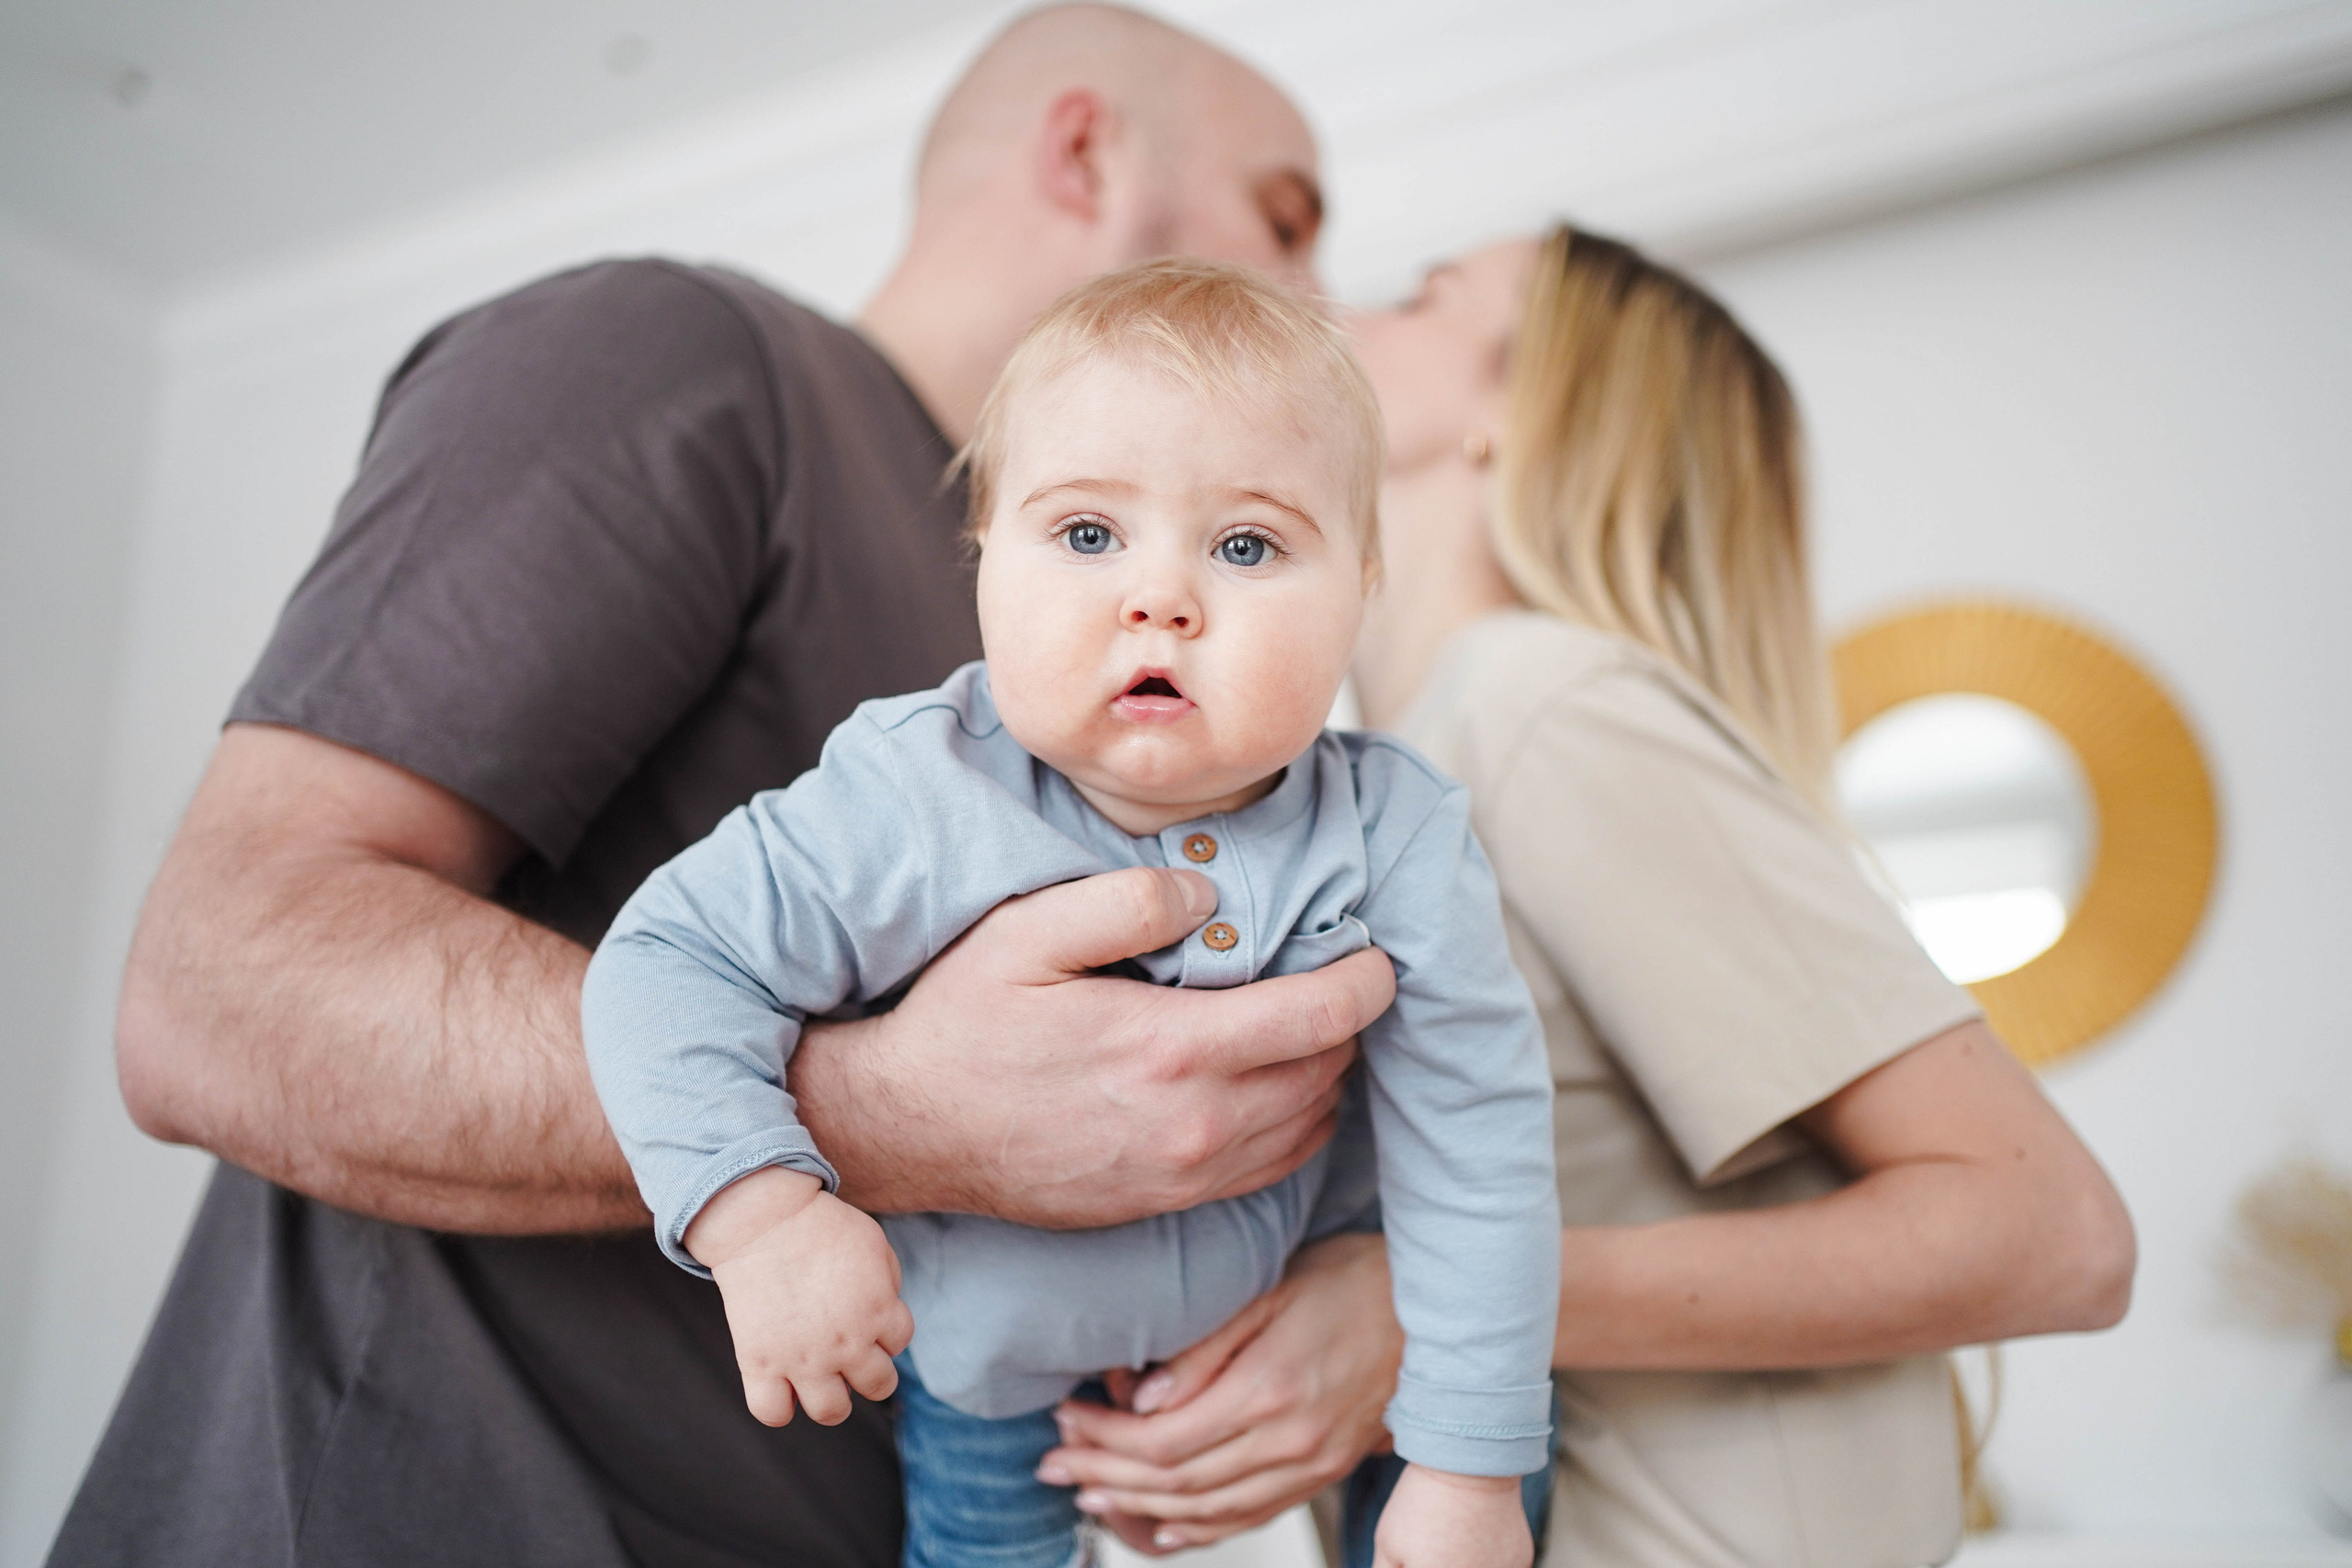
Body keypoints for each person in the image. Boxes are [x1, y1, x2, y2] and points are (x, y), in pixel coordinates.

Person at [57, 10, 1401, 1567]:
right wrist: (890, 1120)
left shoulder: (1090, 660)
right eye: (1286, 217)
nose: (1314, 296)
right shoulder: (682, 357)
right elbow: (217, 984)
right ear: (1086, 153)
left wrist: (1363, 1286)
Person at [1037, 228, 2138, 1566]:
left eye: (1424, 295)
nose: (1333, 306)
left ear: (1519, 409)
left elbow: (2055, 1235)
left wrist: (1425, 1306)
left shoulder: (1541, 705)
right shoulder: (1393, 764)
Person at [582, 258, 1560, 1568]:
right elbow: (664, 962)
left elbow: (1478, 1144)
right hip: (990, 1363)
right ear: (986, 557)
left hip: (1292, 1321)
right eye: (1089, 535)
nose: (1158, 599)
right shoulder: (910, 790)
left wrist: (1468, 1468)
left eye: (1248, 544)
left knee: (1490, 1479)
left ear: (1359, 588)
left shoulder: (1394, 832)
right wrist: (760, 1213)